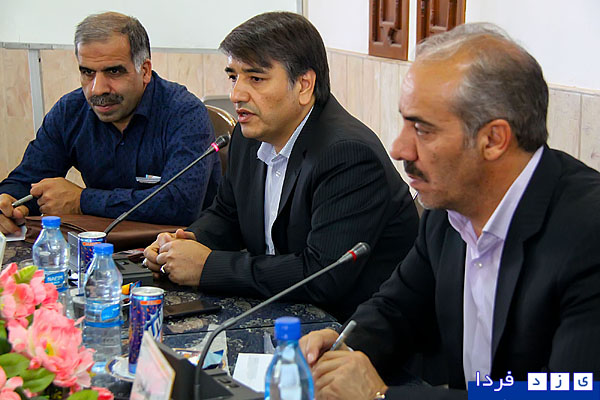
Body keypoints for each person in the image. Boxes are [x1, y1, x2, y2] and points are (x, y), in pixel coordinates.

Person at [300, 23, 600, 399]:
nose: (399, 148)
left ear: (493, 139)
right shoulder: (449, 208)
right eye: (405, 122)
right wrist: (344, 347)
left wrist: (381, 396)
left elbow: (570, 391)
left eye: (422, 130)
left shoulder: (588, 232)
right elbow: (397, 311)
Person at [143, 12, 419, 321]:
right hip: (279, 313)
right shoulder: (248, 136)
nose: (236, 94)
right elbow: (227, 214)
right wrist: (185, 244)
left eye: (256, 79)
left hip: (349, 330)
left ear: (304, 85)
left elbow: (322, 275)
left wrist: (207, 267)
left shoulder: (348, 154)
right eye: (233, 77)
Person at [0, 12, 220, 234]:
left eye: (113, 72)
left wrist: (82, 201)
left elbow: (179, 205)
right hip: (101, 246)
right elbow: (26, 181)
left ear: (144, 71)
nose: (98, 89)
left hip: (179, 246)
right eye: (87, 73)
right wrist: (7, 201)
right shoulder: (70, 110)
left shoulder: (185, 113)